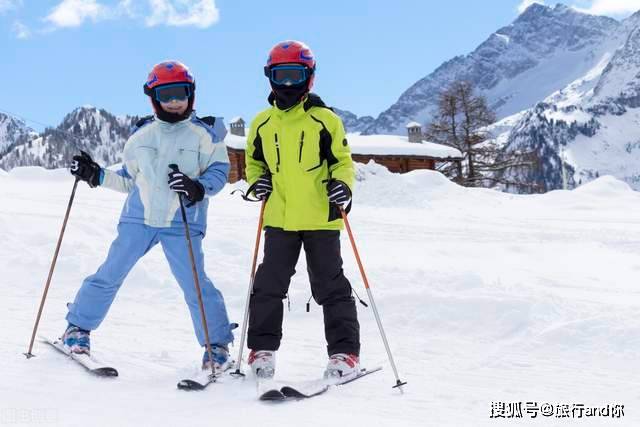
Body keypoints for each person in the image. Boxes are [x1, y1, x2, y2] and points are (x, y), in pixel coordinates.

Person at [62, 61, 234, 371]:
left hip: (183, 221)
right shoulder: (141, 137)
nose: (173, 101)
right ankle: (77, 329)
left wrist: (198, 188)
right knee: (110, 273)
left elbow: (220, 171)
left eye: (180, 93)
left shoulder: (205, 135)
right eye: (165, 94)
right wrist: (95, 175)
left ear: (191, 94)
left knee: (195, 284)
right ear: (153, 97)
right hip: (137, 220)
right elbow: (129, 179)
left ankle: (216, 346)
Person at [244, 40, 361, 381]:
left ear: (309, 78)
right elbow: (254, 163)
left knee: (330, 284)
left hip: (320, 216)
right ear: (270, 78)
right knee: (268, 283)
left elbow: (343, 163)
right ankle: (261, 350)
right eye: (282, 75)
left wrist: (343, 186)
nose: (289, 84)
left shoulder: (325, 120)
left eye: (296, 76)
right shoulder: (262, 123)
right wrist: (259, 182)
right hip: (279, 216)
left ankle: (345, 354)